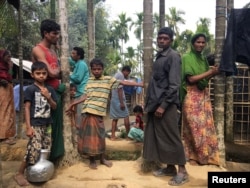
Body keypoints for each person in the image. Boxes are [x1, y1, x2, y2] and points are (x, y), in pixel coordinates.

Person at [66, 58, 143, 169]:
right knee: (90, 138)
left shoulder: (108, 79)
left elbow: (123, 82)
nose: (96, 71)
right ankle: (92, 160)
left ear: (102, 69)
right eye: (94, 69)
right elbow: (85, 96)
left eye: (99, 69)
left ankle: (102, 159)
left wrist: (140, 84)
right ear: (91, 70)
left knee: (101, 136)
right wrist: (73, 104)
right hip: (88, 111)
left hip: (99, 113)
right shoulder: (89, 81)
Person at [142, 27, 188, 186]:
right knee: (161, 137)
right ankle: (170, 167)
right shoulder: (159, 56)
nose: (161, 40)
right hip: (155, 104)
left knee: (171, 137)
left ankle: (182, 171)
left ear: (171, 40)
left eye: (165, 38)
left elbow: (174, 85)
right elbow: (156, 83)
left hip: (166, 105)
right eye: (160, 38)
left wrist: (163, 106)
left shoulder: (173, 56)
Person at [14, 61, 57, 186]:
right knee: (33, 148)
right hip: (35, 124)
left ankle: (40, 172)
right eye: (38, 73)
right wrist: (28, 127)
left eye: (44, 73)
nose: (41, 76)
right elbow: (26, 108)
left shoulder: (50, 89)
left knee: (45, 149)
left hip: (48, 124)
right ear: (32, 75)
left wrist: (48, 97)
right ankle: (20, 173)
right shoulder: (30, 89)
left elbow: (54, 106)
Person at [181, 33, 220, 166]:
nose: (201, 45)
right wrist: (210, 72)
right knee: (193, 127)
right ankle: (192, 156)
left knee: (205, 127)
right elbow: (191, 79)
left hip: (203, 95)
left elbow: (202, 81)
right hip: (191, 97)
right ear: (193, 43)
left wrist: (212, 74)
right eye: (198, 42)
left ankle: (204, 156)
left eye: (203, 42)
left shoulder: (203, 59)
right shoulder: (186, 57)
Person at [31, 19, 65, 162]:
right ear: (45, 33)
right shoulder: (38, 49)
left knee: (56, 126)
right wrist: (58, 71)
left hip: (56, 91)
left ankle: (53, 157)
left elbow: (56, 71)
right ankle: (40, 159)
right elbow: (50, 72)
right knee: (45, 126)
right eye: (54, 34)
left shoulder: (52, 50)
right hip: (45, 92)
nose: (57, 37)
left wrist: (57, 71)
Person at [109, 65, 131, 140]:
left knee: (115, 118)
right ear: (126, 71)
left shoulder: (116, 75)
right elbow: (120, 89)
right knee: (126, 116)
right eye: (128, 73)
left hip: (114, 99)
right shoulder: (121, 75)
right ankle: (128, 135)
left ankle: (112, 136)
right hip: (119, 99)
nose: (127, 75)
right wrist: (121, 102)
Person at [69, 47, 89, 128]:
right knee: (76, 114)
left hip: (81, 92)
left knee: (79, 115)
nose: (71, 55)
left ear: (79, 56)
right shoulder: (77, 63)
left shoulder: (81, 64)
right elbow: (69, 60)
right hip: (78, 92)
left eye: (73, 53)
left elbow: (78, 79)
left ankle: (81, 136)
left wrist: (68, 75)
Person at [0, 49, 16, 145]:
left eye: (10, 56)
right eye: (7, 56)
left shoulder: (7, 67)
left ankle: (6, 135)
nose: (9, 58)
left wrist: (10, 67)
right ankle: (3, 136)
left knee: (8, 111)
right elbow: (4, 79)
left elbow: (10, 77)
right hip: (2, 91)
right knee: (4, 111)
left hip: (8, 90)